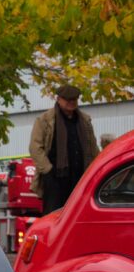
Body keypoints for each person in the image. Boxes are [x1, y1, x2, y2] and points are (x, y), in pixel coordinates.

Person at [29, 84, 100, 212]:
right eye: (68, 99)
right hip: (55, 178)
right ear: (58, 99)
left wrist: (96, 169)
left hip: (81, 177)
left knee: (79, 213)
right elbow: (35, 148)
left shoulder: (85, 120)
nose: (71, 102)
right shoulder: (45, 120)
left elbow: (93, 148)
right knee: (54, 214)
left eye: (74, 99)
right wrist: (48, 170)